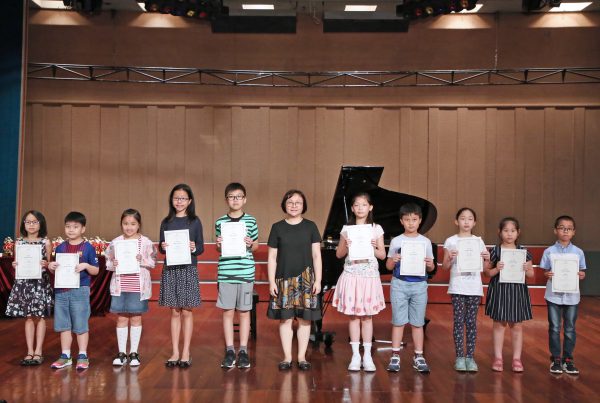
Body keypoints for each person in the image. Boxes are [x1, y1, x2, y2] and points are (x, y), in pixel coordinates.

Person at [267, 189, 322, 371]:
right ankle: (287, 357)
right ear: (284, 205)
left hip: (306, 280)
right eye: (290, 202)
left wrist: (318, 280)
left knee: (305, 320)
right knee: (285, 319)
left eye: (298, 202)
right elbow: (272, 257)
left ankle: (302, 358)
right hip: (283, 280)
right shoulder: (277, 227)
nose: (294, 205)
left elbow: (316, 255)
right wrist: (271, 282)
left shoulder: (311, 226)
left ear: (303, 205)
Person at [332, 192, 386, 372]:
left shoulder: (376, 228)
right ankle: (355, 355)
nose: (360, 208)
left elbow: (382, 255)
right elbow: (339, 254)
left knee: (367, 317)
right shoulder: (347, 229)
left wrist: (373, 247)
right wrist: (345, 245)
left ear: (370, 207)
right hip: (352, 275)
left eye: (364, 204)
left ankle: (368, 355)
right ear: (352, 208)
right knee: (354, 316)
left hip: (369, 277)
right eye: (357, 205)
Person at [385, 203, 435, 373]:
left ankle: (418, 356)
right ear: (401, 221)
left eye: (414, 219)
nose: (411, 223)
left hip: (419, 285)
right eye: (407, 219)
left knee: (418, 322)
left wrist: (430, 264)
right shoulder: (396, 241)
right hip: (399, 284)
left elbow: (430, 268)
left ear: (420, 220)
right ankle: (395, 355)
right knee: (398, 321)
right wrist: (394, 260)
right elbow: (388, 266)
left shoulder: (425, 242)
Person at [159, 183, 204, 368]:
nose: (179, 201)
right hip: (171, 269)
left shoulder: (194, 221)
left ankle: (185, 351)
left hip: (188, 268)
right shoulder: (166, 221)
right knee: (174, 311)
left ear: (189, 201)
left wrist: (193, 247)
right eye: (176, 198)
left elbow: (200, 248)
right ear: (172, 200)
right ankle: (175, 352)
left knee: (186, 311)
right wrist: (163, 246)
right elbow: (161, 248)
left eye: (183, 198)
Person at [105, 209, 157, 367]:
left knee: (135, 317)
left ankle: (134, 352)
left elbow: (153, 262)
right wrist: (113, 264)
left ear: (139, 225)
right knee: (121, 318)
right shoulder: (116, 242)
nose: (129, 227)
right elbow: (108, 261)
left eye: (133, 224)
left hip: (137, 286)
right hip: (120, 286)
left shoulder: (146, 242)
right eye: (126, 223)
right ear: (121, 224)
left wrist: (142, 260)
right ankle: (121, 353)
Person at [48, 211, 99, 371]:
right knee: (64, 324)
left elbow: (96, 270)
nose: (71, 230)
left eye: (75, 227)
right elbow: (56, 269)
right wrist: (51, 266)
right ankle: (65, 355)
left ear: (83, 229)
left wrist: (86, 266)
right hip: (61, 290)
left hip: (80, 290)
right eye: (68, 226)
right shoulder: (60, 247)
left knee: (81, 324)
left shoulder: (88, 248)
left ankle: (82, 355)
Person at [215, 183, 259, 369]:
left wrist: (250, 243)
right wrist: (219, 244)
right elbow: (219, 248)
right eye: (231, 197)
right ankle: (229, 350)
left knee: (244, 312)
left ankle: (243, 350)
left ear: (244, 199)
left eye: (239, 196)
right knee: (227, 312)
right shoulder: (220, 222)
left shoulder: (251, 221)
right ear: (226, 200)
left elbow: (255, 246)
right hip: (226, 273)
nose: (235, 200)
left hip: (245, 272)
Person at [441, 207, 490, 373]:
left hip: (474, 287)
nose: (466, 222)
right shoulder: (451, 241)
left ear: (474, 222)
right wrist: (450, 258)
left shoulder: (478, 241)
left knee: (471, 322)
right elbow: (445, 267)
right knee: (458, 321)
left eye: (470, 219)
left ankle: (470, 356)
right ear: (456, 221)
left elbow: (485, 268)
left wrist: (487, 259)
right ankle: (459, 357)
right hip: (457, 286)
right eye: (463, 218)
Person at [484, 217, 534, 372]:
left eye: (513, 231)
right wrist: (496, 269)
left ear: (518, 232)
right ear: (499, 232)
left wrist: (526, 269)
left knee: (516, 325)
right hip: (499, 290)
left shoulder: (523, 251)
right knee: (499, 324)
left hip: (517, 291)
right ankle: (498, 358)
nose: (509, 234)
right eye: (506, 230)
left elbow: (531, 274)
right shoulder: (495, 251)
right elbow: (487, 273)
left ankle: (516, 359)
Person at [539, 215, 587, 375]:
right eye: (562, 228)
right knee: (554, 327)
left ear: (574, 232)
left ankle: (568, 359)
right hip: (553, 295)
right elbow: (544, 271)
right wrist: (547, 274)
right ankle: (556, 359)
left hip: (572, 296)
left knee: (570, 328)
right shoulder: (549, 251)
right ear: (555, 230)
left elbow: (582, 272)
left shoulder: (578, 252)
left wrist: (581, 275)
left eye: (569, 228)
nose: (565, 231)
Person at [6, 210, 53, 366]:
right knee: (28, 317)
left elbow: (49, 264)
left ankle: (38, 351)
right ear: (23, 224)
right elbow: (18, 263)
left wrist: (46, 264)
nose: (31, 225)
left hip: (40, 283)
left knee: (40, 316)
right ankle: (29, 351)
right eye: (28, 222)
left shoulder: (46, 242)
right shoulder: (19, 243)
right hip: (24, 283)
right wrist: (15, 265)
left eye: (34, 222)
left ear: (41, 224)